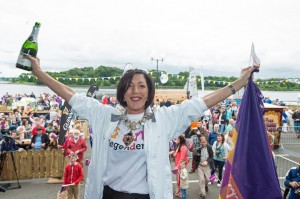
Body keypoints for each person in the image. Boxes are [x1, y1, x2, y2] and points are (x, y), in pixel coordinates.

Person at [26, 55, 257, 199]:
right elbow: (72, 96)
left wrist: (239, 83)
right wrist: (38, 72)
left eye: (141, 86)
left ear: (149, 92)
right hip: (107, 194)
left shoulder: (164, 119)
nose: (135, 91)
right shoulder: (105, 115)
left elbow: (201, 103)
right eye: (130, 86)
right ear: (122, 92)